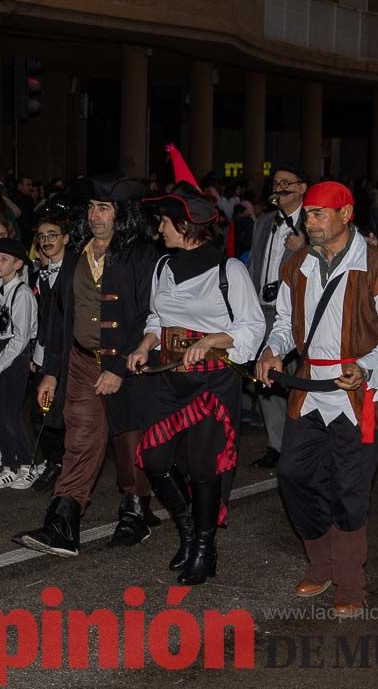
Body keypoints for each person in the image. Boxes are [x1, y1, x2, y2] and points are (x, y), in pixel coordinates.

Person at [256, 181, 378, 617]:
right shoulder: (296, 266)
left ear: (346, 214)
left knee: (350, 490)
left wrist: (365, 367)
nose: (309, 221)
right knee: (293, 474)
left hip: (360, 395)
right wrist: (272, 351)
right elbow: (287, 325)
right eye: (307, 213)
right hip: (309, 391)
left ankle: (350, 580)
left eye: (319, 213)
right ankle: (321, 562)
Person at [14, 175, 160, 559]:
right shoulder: (77, 252)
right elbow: (61, 316)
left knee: (129, 442)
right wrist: (51, 370)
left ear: (122, 213)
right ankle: (63, 523)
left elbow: (152, 315)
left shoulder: (142, 254)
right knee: (80, 440)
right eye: (93, 207)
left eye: (105, 208)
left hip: (128, 362)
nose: (96, 216)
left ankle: (136, 510)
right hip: (79, 360)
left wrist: (118, 367)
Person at [129, 185, 264, 586]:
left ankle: (204, 550)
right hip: (169, 378)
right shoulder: (162, 267)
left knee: (205, 467)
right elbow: (157, 317)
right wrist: (145, 344)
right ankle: (189, 533)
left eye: (165, 224)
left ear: (185, 226)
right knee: (153, 458)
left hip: (212, 383)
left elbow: (252, 326)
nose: (159, 232)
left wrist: (210, 340)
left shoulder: (230, 271)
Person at [246, 164, 308, 469]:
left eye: (287, 182)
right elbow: (254, 264)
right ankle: (276, 443)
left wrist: (303, 249)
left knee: (296, 378)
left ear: (301, 188)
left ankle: (299, 444)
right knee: (265, 379)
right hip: (263, 311)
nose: (279, 188)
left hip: (297, 314)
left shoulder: (313, 223)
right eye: (275, 183)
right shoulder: (263, 222)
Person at [0, 238, 39, 489]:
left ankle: (27, 465)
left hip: (14, 357)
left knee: (12, 414)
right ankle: (9, 464)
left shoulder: (22, 293)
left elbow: (20, 338)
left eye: (4, 259)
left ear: (18, 264)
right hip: (0, 353)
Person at [29, 211, 70, 491]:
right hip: (47, 351)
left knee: (65, 412)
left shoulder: (75, 272)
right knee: (44, 410)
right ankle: (54, 461)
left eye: (52, 235)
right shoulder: (42, 275)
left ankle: (65, 465)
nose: (46, 241)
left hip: (70, 354)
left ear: (66, 238)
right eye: (42, 237)